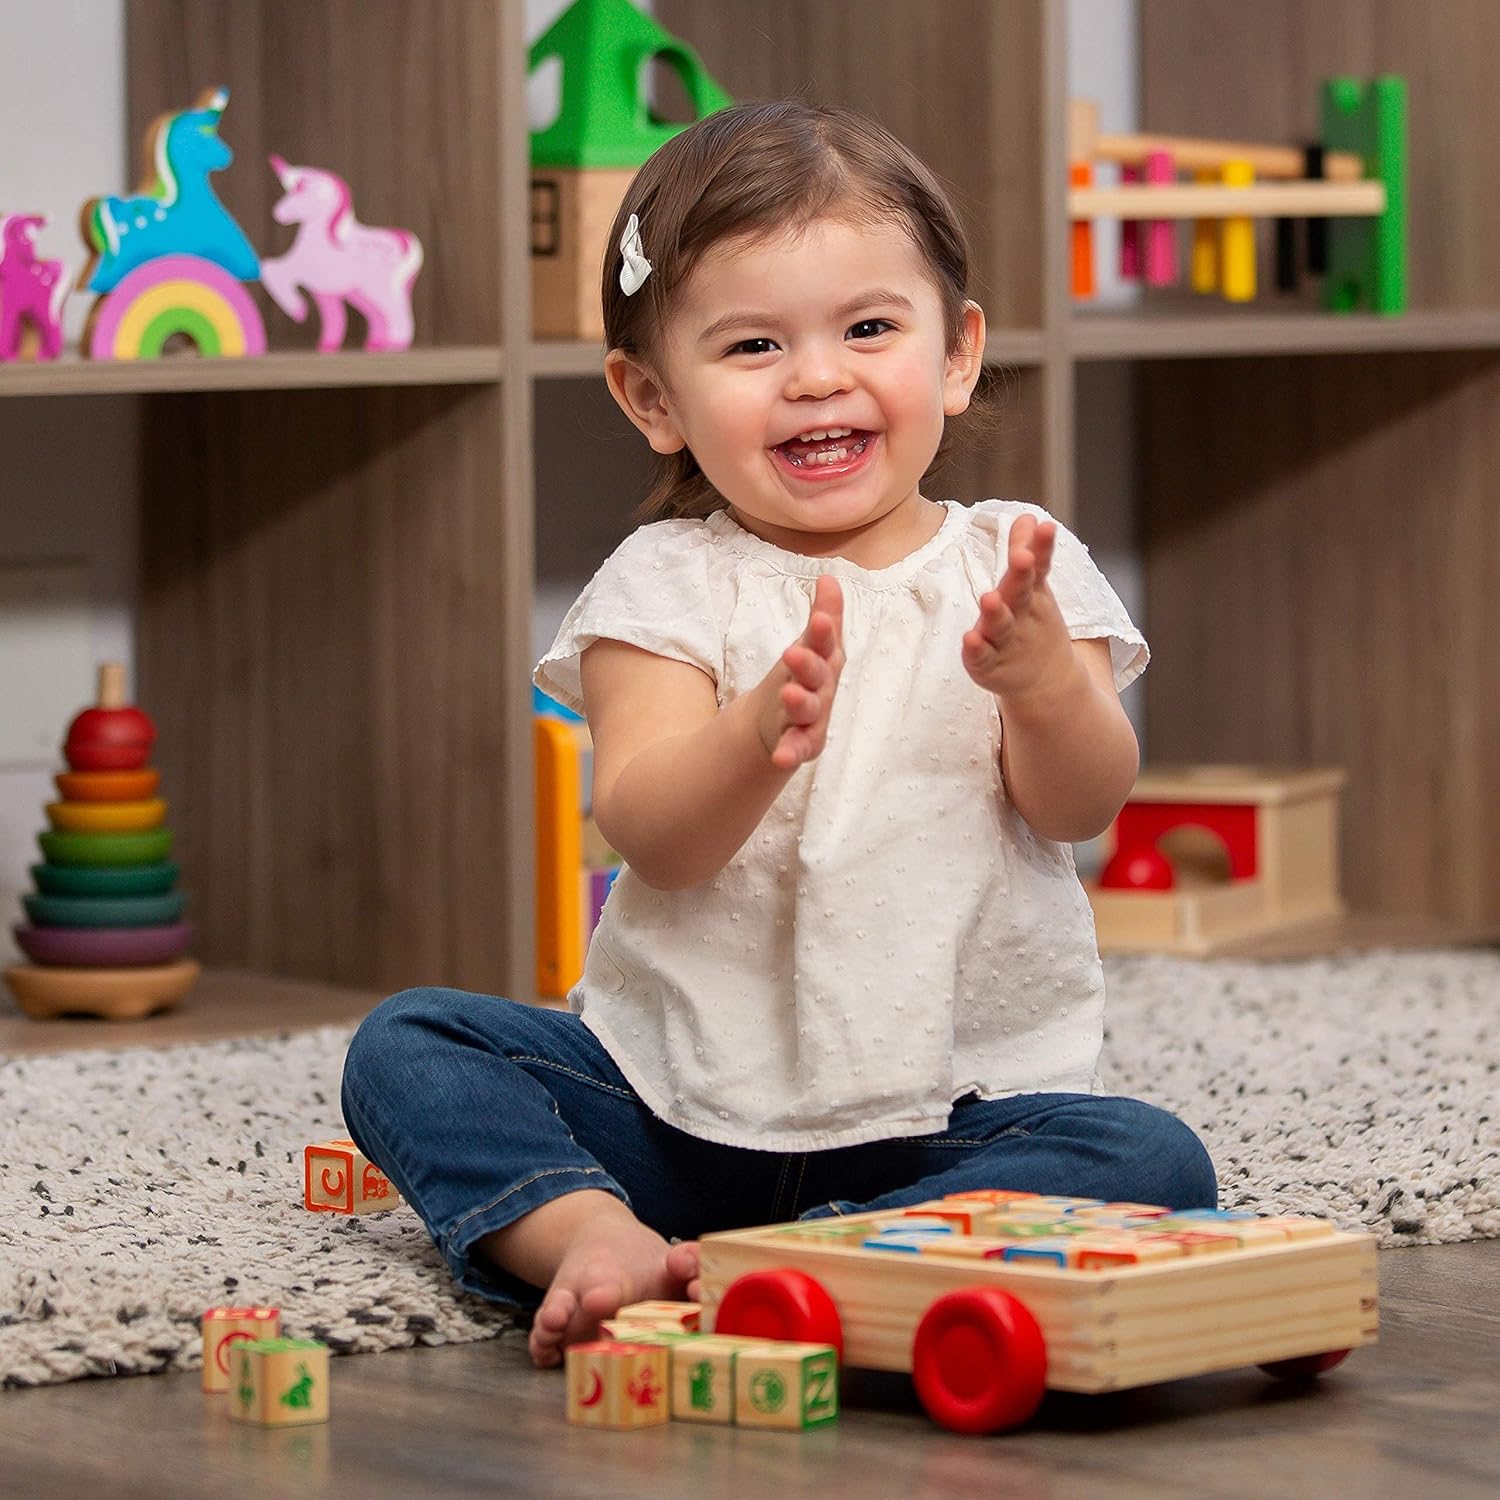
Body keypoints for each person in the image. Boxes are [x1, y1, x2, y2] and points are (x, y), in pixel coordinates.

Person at [341, 99, 1216, 1370]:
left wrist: (1043, 685)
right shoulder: (665, 582)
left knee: (1150, 1161)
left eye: (869, 328)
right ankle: (593, 1232)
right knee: (410, 1045)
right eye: (754, 344)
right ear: (653, 397)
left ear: (958, 354)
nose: (817, 375)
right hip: (672, 1110)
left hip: (948, 1109)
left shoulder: (1012, 564)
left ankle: (815, 1261)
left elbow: (1080, 804)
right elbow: (654, 835)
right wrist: (754, 736)